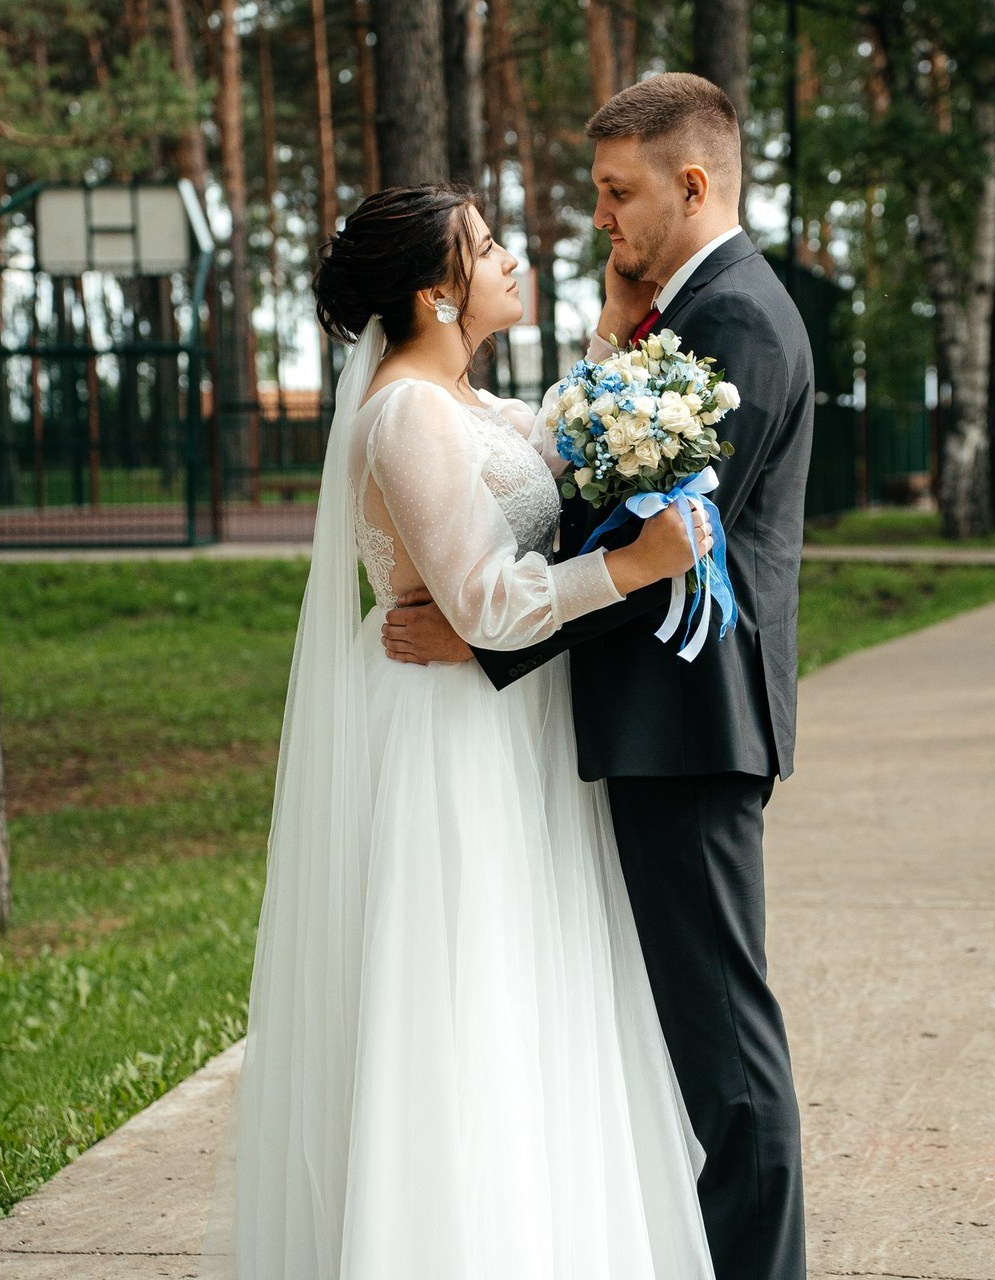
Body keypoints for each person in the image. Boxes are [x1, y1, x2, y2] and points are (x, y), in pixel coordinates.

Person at [198, 182, 718, 1279]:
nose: (509, 257)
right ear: (436, 293)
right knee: (467, 992)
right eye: (485, 248)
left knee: (529, 986)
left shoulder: (468, 402)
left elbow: (551, 450)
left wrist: (613, 331)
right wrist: (635, 566)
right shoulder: (405, 415)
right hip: (446, 736)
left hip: (510, 725)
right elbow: (481, 602)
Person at [382, 74, 813, 1280]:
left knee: (725, 1051)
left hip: (688, 725)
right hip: (661, 724)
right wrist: (615, 339)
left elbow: (668, 539)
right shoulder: (690, 309)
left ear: (693, 184)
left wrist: (490, 633)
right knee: (686, 1042)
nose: (600, 218)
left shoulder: (734, 321)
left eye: (618, 193)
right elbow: (607, 493)